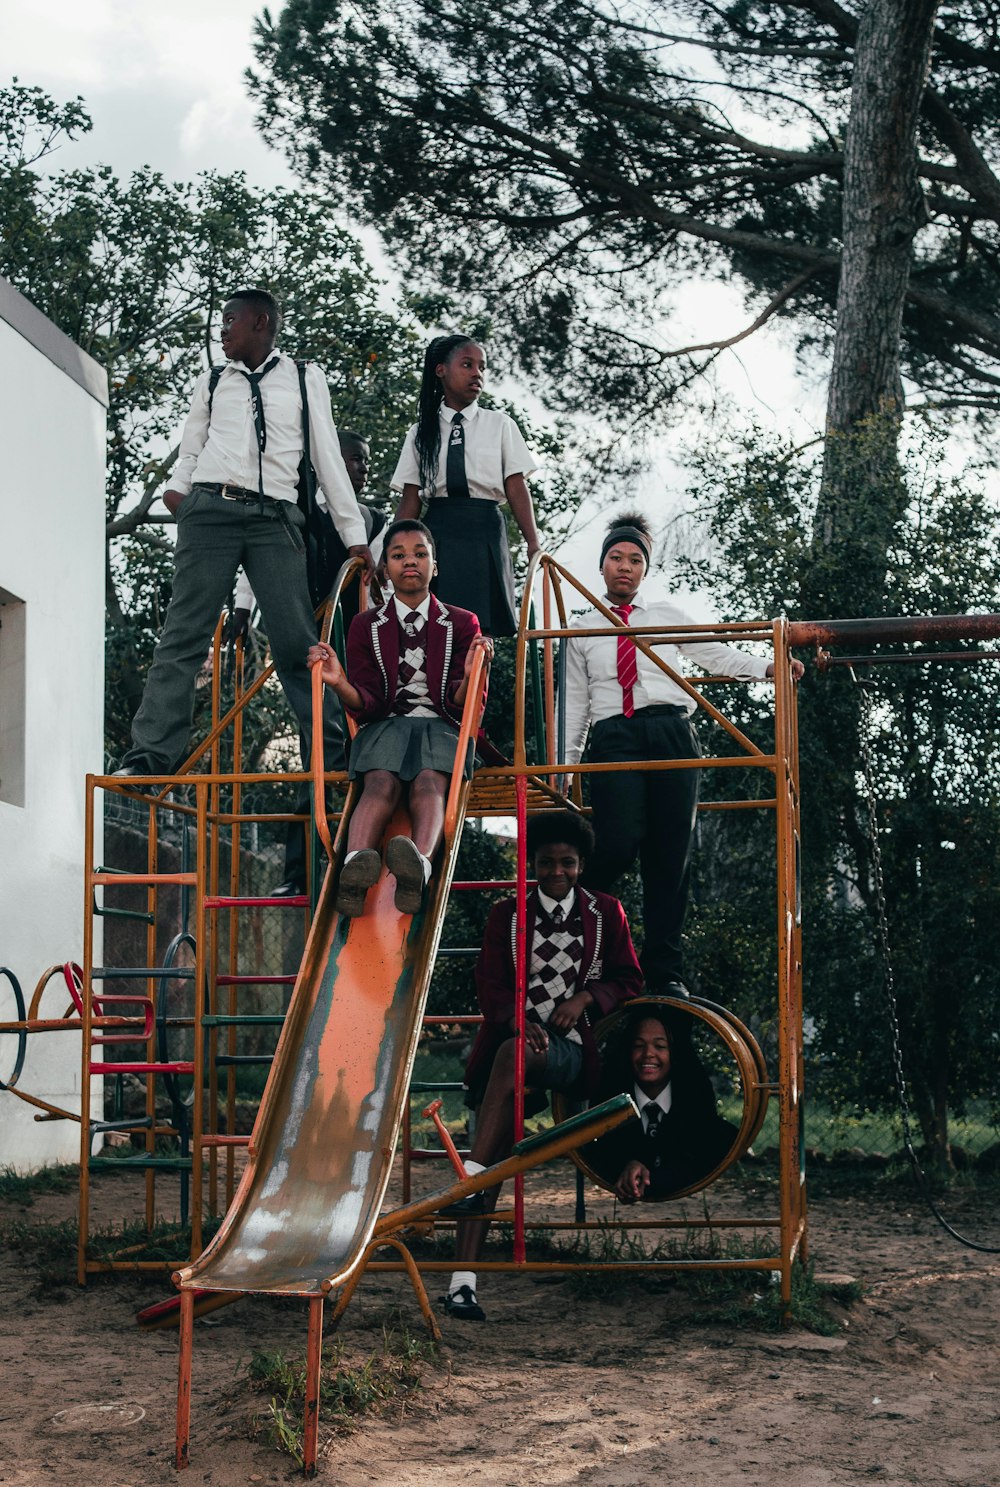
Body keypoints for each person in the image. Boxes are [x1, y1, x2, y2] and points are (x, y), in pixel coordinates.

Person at [114, 289, 373, 782]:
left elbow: (326, 457)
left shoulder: (302, 376)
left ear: (260, 322)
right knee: (182, 634)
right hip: (210, 510)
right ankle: (148, 757)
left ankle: (332, 761)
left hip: (274, 518)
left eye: (230, 319)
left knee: (298, 643)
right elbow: (190, 451)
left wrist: (353, 532)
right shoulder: (214, 379)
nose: (222, 329)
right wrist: (179, 497)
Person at [562, 510, 805, 995]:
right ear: (602, 565)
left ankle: (665, 971)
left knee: (670, 855)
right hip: (615, 736)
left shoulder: (666, 616)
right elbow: (574, 703)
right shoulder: (581, 627)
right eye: (616, 558)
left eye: (634, 559)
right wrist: (563, 767)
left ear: (645, 570)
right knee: (617, 842)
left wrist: (770, 667)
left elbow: (715, 654)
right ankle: (588, 953)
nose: (624, 567)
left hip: (671, 732)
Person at [440, 810, 642, 1322]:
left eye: (568, 863)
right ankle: (462, 1284)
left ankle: (471, 1182)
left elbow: (629, 980)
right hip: (513, 1050)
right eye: (547, 862)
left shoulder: (606, 913)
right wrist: (513, 1020)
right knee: (494, 1136)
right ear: (529, 863)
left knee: (484, 1145)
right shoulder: (507, 916)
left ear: (582, 864)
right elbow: (489, 984)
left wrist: (587, 1000)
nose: (558, 872)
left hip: (571, 1051)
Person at [230, 429, 387, 899]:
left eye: (365, 461)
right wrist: (242, 607)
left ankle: (351, 861)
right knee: (318, 742)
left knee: (346, 743)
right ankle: (304, 869)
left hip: (355, 641)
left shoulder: (370, 522)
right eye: (354, 460)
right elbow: (256, 561)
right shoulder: (296, 513)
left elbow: (380, 586)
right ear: (327, 465)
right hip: (309, 638)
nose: (362, 469)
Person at [308, 520, 492, 917]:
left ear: (435, 565)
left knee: (429, 783)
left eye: (420, 553)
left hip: (441, 725)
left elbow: (460, 703)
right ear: (385, 571)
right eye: (398, 555)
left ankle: (418, 867)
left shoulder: (461, 623)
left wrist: (478, 671)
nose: (410, 561)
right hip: (387, 723)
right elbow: (369, 702)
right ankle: (354, 865)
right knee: (378, 784)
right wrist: (339, 682)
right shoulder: (366, 625)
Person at [391, 334, 541, 636]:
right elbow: (411, 499)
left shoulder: (500, 424)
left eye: (482, 367)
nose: (477, 374)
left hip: (484, 530)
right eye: (467, 365)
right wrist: (391, 549)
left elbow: (515, 487)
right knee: (435, 625)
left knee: (479, 631)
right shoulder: (421, 432)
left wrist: (533, 542)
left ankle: (477, 683)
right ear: (441, 370)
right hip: (438, 532)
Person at [590, 1005, 740, 1201]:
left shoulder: (697, 1111)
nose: (648, 1054)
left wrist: (647, 1179)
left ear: (674, 1053)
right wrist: (626, 1169)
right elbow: (602, 1154)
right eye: (638, 1045)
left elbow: (695, 1159)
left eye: (660, 1046)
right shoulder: (609, 1105)